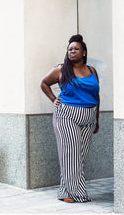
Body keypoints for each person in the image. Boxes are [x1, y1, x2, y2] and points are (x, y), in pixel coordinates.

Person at [40, 34, 100, 203]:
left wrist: (97, 118)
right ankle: (78, 194)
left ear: (84, 52)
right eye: (70, 49)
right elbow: (44, 83)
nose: (72, 51)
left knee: (79, 157)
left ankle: (64, 191)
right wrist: (54, 99)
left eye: (76, 49)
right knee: (70, 156)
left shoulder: (92, 71)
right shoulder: (61, 69)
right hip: (67, 115)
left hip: (89, 117)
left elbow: (97, 95)